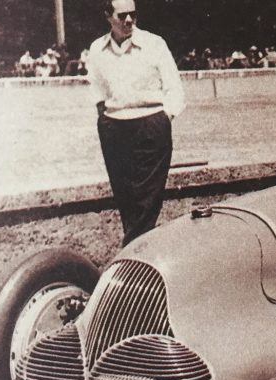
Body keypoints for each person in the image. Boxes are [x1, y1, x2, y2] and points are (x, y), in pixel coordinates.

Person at [87, 0, 185, 246]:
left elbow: (174, 87)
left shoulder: (154, 44)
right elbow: (96, 89)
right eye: (122, 16)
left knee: (147, 199)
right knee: (126, 198)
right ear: (108, 16)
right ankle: (139, 249)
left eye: (133, 15)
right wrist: (105, 117)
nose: (128, 20)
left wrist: (164, 118)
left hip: (150, 125)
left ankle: (131, 251)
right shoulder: (97, 49)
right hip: (114, 127)